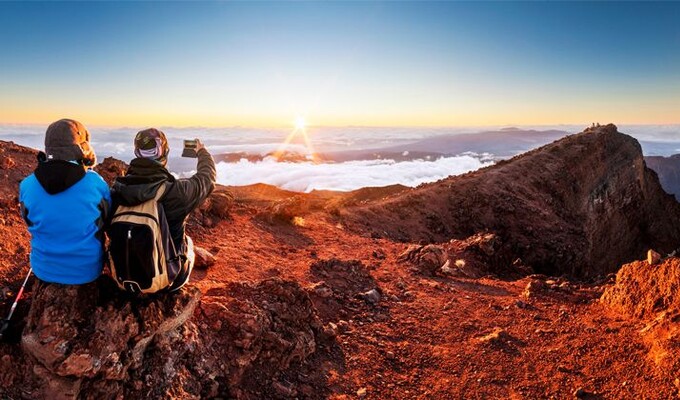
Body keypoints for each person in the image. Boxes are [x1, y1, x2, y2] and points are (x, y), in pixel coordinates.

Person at [111, 128, 216, 291]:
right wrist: (201, 152)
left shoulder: (116, 190)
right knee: (188, 242)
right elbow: (207, 179)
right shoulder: (176, 192)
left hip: (122, 279)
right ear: (165, 153)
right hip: (166, 282)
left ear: (137, 153)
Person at [19, 119, 111, 284]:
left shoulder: (27, 185)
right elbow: (106, 218)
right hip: (87, 271)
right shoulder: (95, 183)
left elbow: (28, 220)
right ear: (82, 148)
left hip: (43, 269)